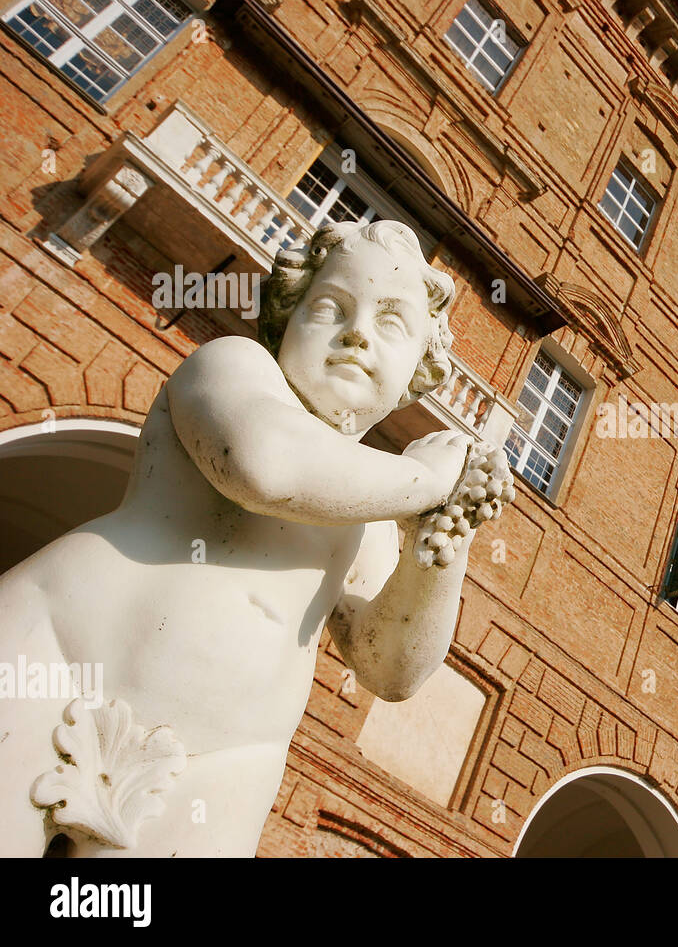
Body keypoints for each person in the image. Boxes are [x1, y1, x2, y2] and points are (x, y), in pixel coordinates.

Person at [0, 220, 512, 856]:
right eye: (331, 307)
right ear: (286, 318)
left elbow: (392, 667)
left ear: (418, 369)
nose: (357, 333)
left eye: (391, 323)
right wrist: (430, 478)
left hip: (221, 760)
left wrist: (442, 539)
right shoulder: (232, 368)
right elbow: (264, 467)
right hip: (54, 655)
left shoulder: (376, 512)